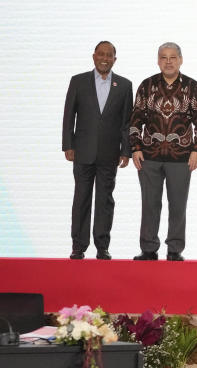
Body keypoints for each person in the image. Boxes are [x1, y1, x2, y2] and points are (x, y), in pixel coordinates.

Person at [129, 42, 197, 261]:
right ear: (158, 60)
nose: (168, 61)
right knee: (150, 203)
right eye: (163, 57)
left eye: (173, 57)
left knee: (178, 204)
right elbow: (136, 120)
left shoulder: (192, 87)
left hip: (181, 157)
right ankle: (148, 248)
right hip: (149, 156)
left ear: (180, 60)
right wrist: (135, 148)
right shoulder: (147, 85)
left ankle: (174, 249)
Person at [61, 41, 134, 260]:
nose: (104, 58)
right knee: (81, 197)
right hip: (82, 151)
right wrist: (68, 145)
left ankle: (102, 245)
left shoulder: (124, 85)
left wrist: (126, 151)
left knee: (105, 200)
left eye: (109, 55)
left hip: (109, 153)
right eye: (101, 54)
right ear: (94, 56)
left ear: (115, 59)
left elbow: (126, 122)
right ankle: (78, 245)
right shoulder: (78, 81)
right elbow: (68, 115)